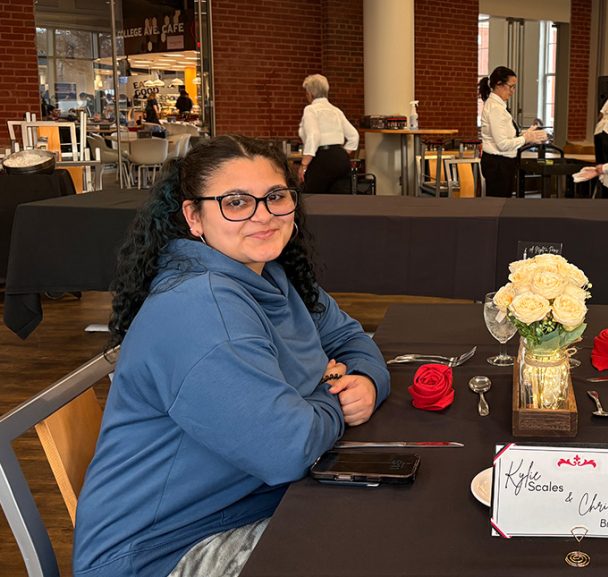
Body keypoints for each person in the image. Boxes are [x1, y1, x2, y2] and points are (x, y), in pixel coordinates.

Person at [73, 135, 391, 577]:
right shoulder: (198, 308)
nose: (263, 215)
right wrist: (328, 391)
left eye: (275, 197)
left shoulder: (275, 278)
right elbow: (287, 448)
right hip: (164, 551)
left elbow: (353, 340)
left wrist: (364, 378)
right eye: (236, 202)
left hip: (252, 502)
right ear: (194, 217)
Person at [479, 66, 547, 197]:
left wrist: (526, 134)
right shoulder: (495, 108)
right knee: (498, 206)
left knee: (502, 204)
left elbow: (507, 136)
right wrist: (527, 138)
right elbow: (503, 144)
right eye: (511, 86)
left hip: (502, 163)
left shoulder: (499, 106)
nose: (513, 91)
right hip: (498, 164)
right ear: (499, 84)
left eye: (514, 87)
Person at [297, 74, 359, 195]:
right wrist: (342, 152)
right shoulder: (336, 110)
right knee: (340, 201)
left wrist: (304, 164)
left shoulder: (310, 109)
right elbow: (354, 135)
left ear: (310, 93)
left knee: (311, 198)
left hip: (321, 158)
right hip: (340, 159)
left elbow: (314, 135)